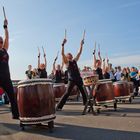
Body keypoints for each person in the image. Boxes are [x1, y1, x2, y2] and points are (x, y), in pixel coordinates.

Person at [56, 38, 87, 110]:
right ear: (67, 57)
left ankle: (86, 104)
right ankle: (59, 106)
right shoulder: (67, 63)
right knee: (67, 93)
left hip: (78, 78)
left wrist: (81, 44)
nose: (69, 54)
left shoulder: (74, 60)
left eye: (70, 54)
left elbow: (79, 53)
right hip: (72, 79)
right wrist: (63, 45)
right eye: (68, 54)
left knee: (83, 91)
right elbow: (62, 54)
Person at [0, 18, 19, 119]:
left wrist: (5, 27)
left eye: (1, 41)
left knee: (12, 97)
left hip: (6, 77)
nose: (1, 42)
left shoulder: (4, 49)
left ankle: (16, 115)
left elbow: (7, 37)